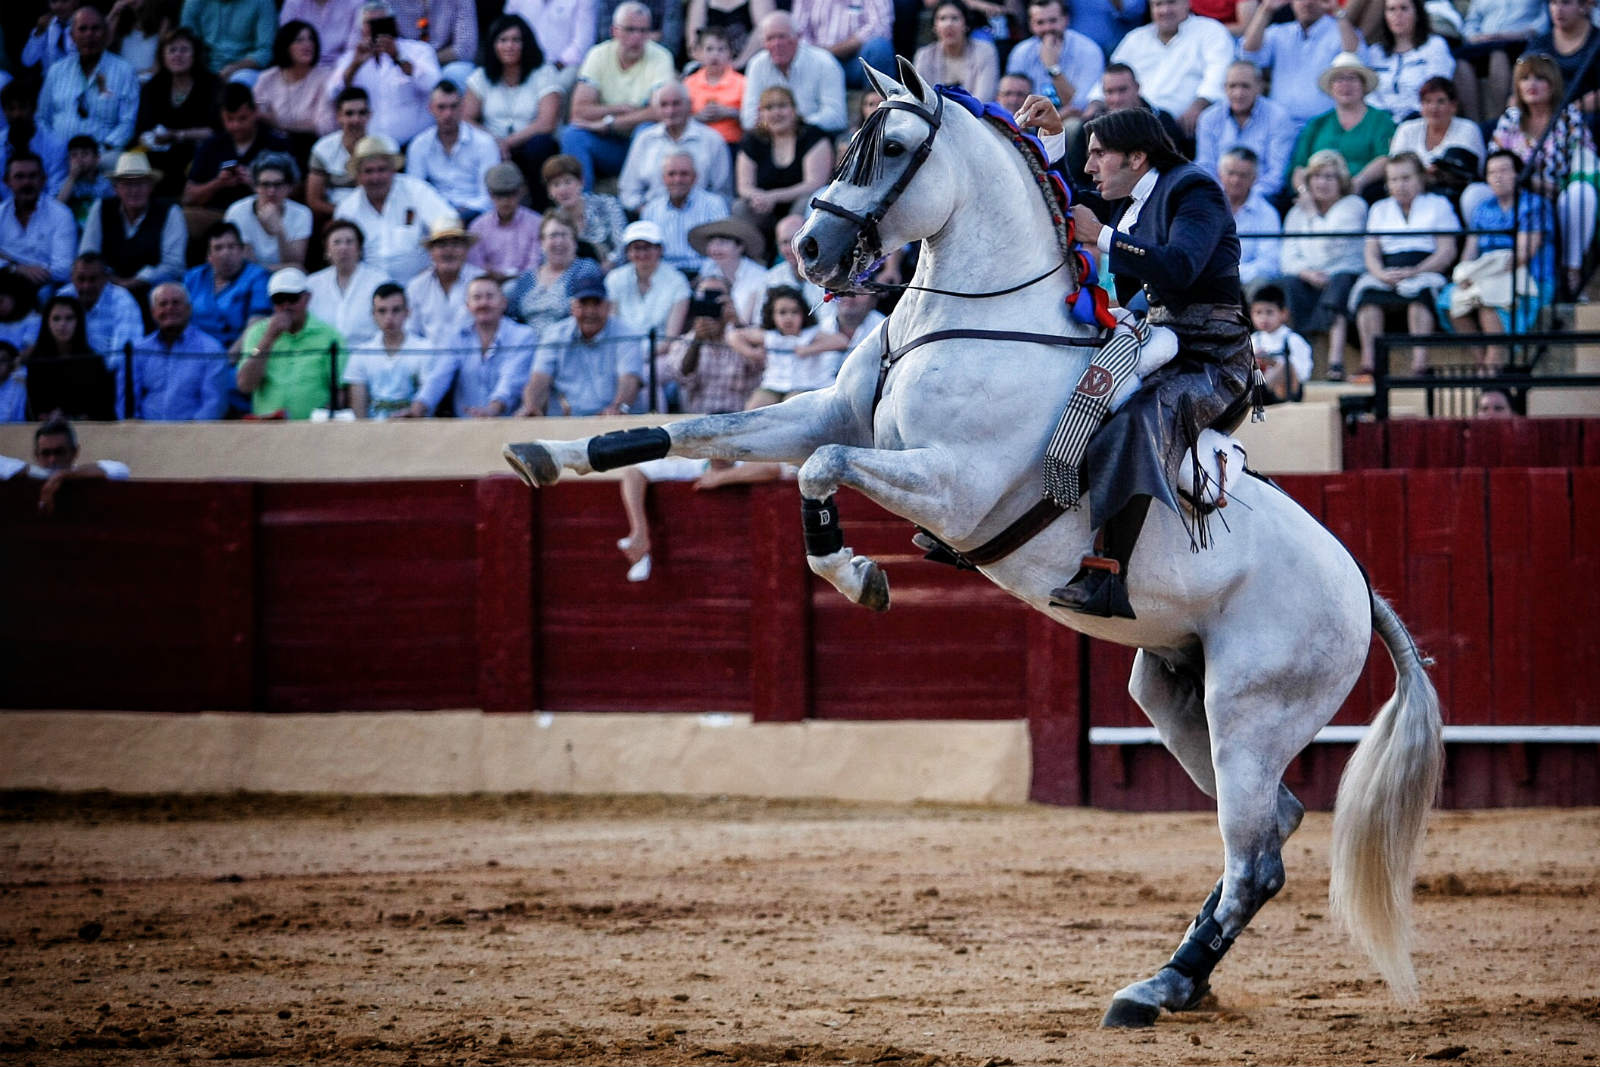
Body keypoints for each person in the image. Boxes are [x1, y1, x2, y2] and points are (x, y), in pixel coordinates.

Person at [1055, 105, 1256, 619]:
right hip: (1163, 341)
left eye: (1100, 154)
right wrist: (1054, 142)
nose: (1090, 166)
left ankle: (1109, 578)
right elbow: (1076, 212)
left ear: (1138, 156)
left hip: (1214, 358)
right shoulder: (1129, 206)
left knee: (1144, 419)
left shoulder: (1194, 189)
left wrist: (1099, 237)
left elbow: (1181, 266)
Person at [1488, 52, 1597, 298]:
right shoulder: (1511, 118)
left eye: (1540, 78)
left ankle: (1572, 268)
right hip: (1516, 193)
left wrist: (1549, 187)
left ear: (1553, 83)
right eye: (1525, 79)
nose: (1532, 85)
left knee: (1582, 193)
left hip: (1558, 194)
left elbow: (1586, 164)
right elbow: (1494, 160)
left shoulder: (1568, 117)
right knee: (1474, 194)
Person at [1440, 149, 1554, 372]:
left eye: (1504, 170)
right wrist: (1464, 274)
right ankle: (1484, 362)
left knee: (1487, 302)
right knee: (1449, 302)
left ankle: (1493, 366)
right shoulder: (1482, 209)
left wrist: (1480, 276)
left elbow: (1523, 254)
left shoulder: (1534, 205)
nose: (1498, 177)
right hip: (1485, 275)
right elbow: (1470, 251)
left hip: (1526, 276)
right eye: (1492, 172)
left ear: (1518, 175)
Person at [1349, 152, 1459, 379]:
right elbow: (1371, 251)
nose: (1400, 185)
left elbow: (1447, 250)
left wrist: (1417, 271)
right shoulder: (1380, 208)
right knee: (1368, 297)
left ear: (1420, 178)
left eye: (1406, 178)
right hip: (1387, 270)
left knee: (1421, 296)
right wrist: (1380, 273)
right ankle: (1370, 364)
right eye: (1394, 180)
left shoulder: (1438, 205)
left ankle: (1420, 365)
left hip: (1425, 268)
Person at [560, 2, 677, 190]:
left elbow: (660, 112)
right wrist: (620, 109)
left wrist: (609, 124)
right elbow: (578, 112)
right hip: (608, 144)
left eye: (643, 31)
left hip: (638, 142)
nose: (637, 37)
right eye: (630, 30)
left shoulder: (661, 56)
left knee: (646, 130)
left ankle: (636, 198)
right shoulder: (597, 54)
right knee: (572, 135)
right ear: (614, 31)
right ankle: (581, 205)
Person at [1085, 0, 1235, 146]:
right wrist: (1096, 103)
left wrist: (1199, 105)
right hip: (1131, 116)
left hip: (1179, 123)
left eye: (1171, 3)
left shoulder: (1211, 31)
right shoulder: (1136, 38)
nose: (1164, 10)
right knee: (1081, 129)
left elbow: (1218, 74)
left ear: (1188, 3)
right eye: (1158, 4)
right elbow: (1111, 76)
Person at [1278, 148, 1368, 380]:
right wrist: (1306, 273)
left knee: (1339, 284)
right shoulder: (1297, 212)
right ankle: (1298, 361)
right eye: (1317, 176)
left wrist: (1310, 214)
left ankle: (1335, 363)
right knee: (1289, 284)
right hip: (1310, 275)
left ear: (1341, 181)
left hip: (1344, 272)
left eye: (1330, 177)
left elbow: (1328, 248)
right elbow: (1287, 256)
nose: (1322, 183)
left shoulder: (1353, 205)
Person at [521, 262, 647, 415]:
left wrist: (617, 408)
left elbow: (630, 379)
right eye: (583, 304)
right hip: (566, 424)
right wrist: (531, 406)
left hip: (614, 422)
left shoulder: (627, 334)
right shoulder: (554, 334)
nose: (590, 311)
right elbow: (539, 378)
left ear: (608, 307)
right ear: (573, 308)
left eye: (596, 304)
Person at [464, 14, 564, 206]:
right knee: (478, 145)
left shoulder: (543, 73)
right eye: (503, 40)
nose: (509, 46)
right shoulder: (481, 76)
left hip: (529, 145)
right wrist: (494, 141)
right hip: (493, 146)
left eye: (516, 40)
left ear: (526, 43)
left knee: (540, 145)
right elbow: (466, 118)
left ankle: (541, 207)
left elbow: (547, 122)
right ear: (493, 44)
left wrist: (507, 143)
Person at [413, 275, 538, 417]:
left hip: (509, 426)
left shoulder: (523, 335)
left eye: (490, 297)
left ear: (503, 302)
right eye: (477, 297)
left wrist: (492, 410)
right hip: (465, 429)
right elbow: (438, 377)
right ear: (468, 306)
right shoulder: (457, 337)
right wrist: (417, 409)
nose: (483, 303)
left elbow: (511, 379)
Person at [333, 133, 452, 281]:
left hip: (421, 284)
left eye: (381, 169)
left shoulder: (417, 191)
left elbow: (447, 224)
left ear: (393, 170)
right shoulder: (347, 208)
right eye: (368, 171)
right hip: (370, 289)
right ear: (358, 175)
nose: (376, 178)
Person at [236, 266, 348, 419]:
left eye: (292, 298)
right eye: (279, 300)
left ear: (307, 298)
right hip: (267, 428)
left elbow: (339, 391)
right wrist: (268, 339)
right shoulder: (257, 333)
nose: (286, 306)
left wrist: (323, 420)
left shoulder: (329, 336)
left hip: (313, 430)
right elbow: (245, 385)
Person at [326, 0, 440, 146]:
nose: (376, 27)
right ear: (361, 29)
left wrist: (398, 57)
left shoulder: (419, 51)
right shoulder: (350, 58)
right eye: (370, 23)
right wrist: (355, 65)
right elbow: (333, 93)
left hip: (414, 144)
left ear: (393, 23)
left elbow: (433, 85)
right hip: (369, 147)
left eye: (381, 22)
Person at [79, 152, 188, 301]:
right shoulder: (101, 208)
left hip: (154, 290)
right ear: (116, 188)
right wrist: (112, 279)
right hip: (106, 286)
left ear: (150, 186)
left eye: (140, 183)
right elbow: (88, 254)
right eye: (127, 184)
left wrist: (136, 282)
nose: (134, 190)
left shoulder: (170, 212)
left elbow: (174, 265)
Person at [1288, 53, 1397, 201]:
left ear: (1363, 85)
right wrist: (1304, 192)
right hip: (1317, 196)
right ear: (1331, 87)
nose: (1345, 85)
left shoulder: (1381, 120)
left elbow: (1385, 158)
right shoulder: (1317, 123)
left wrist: (1359, 181)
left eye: (1352, 79)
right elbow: (1299, 167)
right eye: (1339, 79)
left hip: (1363, 194)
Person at [115, 282, 232, 419]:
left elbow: (214, 403)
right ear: (153, 312)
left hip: (194, 435)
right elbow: (126, 402)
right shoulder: (138, 350)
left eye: (176, 303)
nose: (169, 308)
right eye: (163, 304)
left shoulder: (211, 349)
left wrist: (188, 435)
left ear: (189, 309)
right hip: (143, 434)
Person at [735, 86, 835, 242]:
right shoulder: (752, 140)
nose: (776, 113)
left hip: (799, 205)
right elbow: (744, 187)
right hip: (764, 208)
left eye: (782, 106)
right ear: (761, 113)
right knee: (741, 207)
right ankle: (754, 258)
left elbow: (814, 183)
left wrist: (773, 196)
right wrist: (760, 198)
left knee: (807, 201)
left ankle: (798, 254)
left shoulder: (813, 136)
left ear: (794, 110)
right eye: (769, 108)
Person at [38, 7, 142, 156]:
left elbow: (128, 123)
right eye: (82, 29)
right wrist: (57, 149)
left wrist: (98, 152)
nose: (89, 34)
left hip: (103, 155)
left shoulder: (125, 71)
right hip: (59, 155)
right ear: (72, 35)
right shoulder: (56, 71)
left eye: (95, 29)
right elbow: (42, 118)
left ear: (106, 34)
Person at [617, 82, 733, 213]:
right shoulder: (645, 140)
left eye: (676, 104)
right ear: (656, 109)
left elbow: (723, 193)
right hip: (651, 215)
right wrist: (648, 211)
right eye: (664, 105)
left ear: (689, 105)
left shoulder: (712, 140)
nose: (670, 111)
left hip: (702, 218)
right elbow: (628, 190)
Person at [134, 27, 222, 200]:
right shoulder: (154, 86)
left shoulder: (211, 84)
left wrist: (177, 135)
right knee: (130, 162)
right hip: (157, 151)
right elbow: (142, 128)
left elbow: (215, 130)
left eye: (184, 50)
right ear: (163, 56)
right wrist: (151, 137)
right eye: (172, 50)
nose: (177, 55)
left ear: (194, 54)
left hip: (196, 151)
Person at [183, 83, 294, 216]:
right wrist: (217, 183)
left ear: (255, 112)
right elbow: (188, 197)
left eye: (242, 119)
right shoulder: (210, 146)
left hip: (264, 216)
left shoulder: (276, 144)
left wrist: (259, 185)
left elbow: (295, 192)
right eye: (229, 119)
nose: (235, 125)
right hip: (219, 217)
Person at [729, 283, 847, 407]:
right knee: (755, 406)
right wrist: (752, 353)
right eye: (782, 313)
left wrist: (810, 349)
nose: (788, 318)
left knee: (792, 404)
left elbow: (841, 341)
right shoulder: (770, 336)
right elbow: (734, 336)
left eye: (794, 312)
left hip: (806, 385)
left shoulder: (810, 334)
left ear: (803, 314)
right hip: (774, 385)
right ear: (772, 315)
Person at [1339, 0, 1456, 124]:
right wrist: (1383, 118)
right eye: (1391, 10)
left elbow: (1437, 87)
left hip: (1420, 121)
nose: (1397, 15)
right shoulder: (1376, 52)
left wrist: (1408, 118)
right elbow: (1368, 90)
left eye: (1404, 8)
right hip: (1380, 123)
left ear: (1417, 14)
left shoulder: (1434, 45)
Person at [1194, 62, 1296, 202]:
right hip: (1218, 196)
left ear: (1259, 87)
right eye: (1232, 86)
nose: (1238, 93)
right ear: (1224, 88)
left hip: (1263, 198)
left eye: (1245, 86)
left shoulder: (1278, 117)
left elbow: (1276, 174)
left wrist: (1244, 198)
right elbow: (1205, 166)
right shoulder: (1209, 118)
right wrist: (1223, 195)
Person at [1239, 0, 1347, 129]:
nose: (1307, 3)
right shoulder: (1279, 33)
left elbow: (1356, 57)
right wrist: (1265, 10)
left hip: (1324, 127)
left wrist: (1338, 12)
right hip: (1280, 126)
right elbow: (1248, 55)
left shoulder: (1340, 32)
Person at [405, 80, 503, 222]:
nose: (448, 114)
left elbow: (488, 196)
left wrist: (457, 215)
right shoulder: (419, 145)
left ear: (462, 107)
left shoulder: (485, 143)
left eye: (453, 107)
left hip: (476, 214)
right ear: (431, 108)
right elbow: (415, 190)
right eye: (441, 107)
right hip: (434, 215)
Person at [740, 12, 849, 137]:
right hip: (771, 138)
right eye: (770, 38)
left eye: (782, 37)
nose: (776, 44)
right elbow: (748, 120)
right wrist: (776, 127)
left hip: (812, 137)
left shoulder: (824, 62)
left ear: (799, 37)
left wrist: (794, 125)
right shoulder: (756, 64)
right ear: (763, 43)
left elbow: (837, 116)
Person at [1390, 76, 1488, 214]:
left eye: (1440, 101)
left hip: (1452, 195)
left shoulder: (1468, 129)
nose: (1433, 108)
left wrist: (1420, 172)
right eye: (1427, 101)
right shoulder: (1406, 129)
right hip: (1408, 193)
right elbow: (1395, 167)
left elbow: (1466, 171)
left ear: (1453, 106)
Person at [342, 281, 433, 417]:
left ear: (407, 312)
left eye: (396, 310)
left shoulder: (425, 349)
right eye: (382, 311)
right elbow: (359, 409)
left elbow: (428, 396)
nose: (389, 317)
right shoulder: (361, 354)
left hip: (416, 429)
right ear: (373, 314)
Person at [605, 220, 690, 360]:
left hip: (660, 356)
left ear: (660, 249)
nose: (642, 253)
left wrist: (640, 357)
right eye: (636, 248)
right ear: (628, 252)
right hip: (618, 353)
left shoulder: (677, 281)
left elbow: (670, 339)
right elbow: (611, 327)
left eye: (648, 247)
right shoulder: (614, 278)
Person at [505, 212, 602, 334]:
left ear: (575, 241)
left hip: (568, 341)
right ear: (542, 242)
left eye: (564, 235)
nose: (559, 241)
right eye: (553, 235)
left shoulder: (585, 268)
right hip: (528, 344)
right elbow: (512, 316)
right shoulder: (526, 278)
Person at [1454, 0, 1547, 123]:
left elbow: (1544, 20)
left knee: (1498, 53)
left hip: (1518, 41)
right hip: (1484, 41)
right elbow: (1471, 22)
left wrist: (1517, 35)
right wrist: (1475, 37)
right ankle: (1474, 122)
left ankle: (1497, 120)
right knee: (1460, 58)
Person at [183, 221, 272, 349]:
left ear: (242, 251)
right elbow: (180, 320)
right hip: (194, 352)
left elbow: (256, 325)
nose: (225, 253)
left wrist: (227, 360)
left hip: (235, 354)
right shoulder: (193, 277)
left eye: (231, 247)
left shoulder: (258, 277)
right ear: (209, 256)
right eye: (218, 248)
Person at [640, 151, 732, 274]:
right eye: (671, 174)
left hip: (705, 272)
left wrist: (705, 276)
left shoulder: (714, 204)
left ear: (695, 177)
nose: (677, 180)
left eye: (684, 174)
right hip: (665, 275)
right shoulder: (651, 209)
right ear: (663, 178)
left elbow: (723, 249)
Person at [252, 20, 337, 153]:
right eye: (299, 40)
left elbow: (326, 127)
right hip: (271, 147)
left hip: (310, 147)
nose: (308, 45)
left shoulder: (325, 78)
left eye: (311, 39)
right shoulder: (267, 78)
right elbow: (258, 114)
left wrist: (279, 123)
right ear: (285, 46)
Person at [1003, 0, 1101, 115]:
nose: (1047, 28)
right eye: (1040, 23)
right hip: (1029, 119)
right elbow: (1013, 99)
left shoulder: (1088, 50)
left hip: (1071, 122)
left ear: (1066, 19)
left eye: (1053, 21)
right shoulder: (1021, 52)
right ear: (1031, 25)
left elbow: (1079, 106)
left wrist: (1052, 67)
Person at [25, 295, 114, 421]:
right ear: (47, 322)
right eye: (56, 319)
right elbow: (33, 408)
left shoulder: (93, 361)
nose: (62, 325)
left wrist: (78, 418)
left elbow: (103, 407)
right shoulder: (36, 362)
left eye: (69, 318)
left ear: (79, 321)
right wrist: (49, 417)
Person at [0, 153, 79, 292]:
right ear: (7, 182)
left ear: (43, 180)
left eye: (33, 176)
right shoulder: (1, 214)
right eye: (19, 177)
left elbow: (64, 269)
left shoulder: (61, 215)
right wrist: (17, 269)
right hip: (5, 283)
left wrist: (12, 264)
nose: (26, 183)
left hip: (43, 287)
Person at [23, 418, 132, 517]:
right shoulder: (31, 473)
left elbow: (122, 470)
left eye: (59, 452)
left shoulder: (80, 474)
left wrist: (63, 475)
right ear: (36, 455)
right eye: (46, 453)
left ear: (74, 452)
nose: (52, 459)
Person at [224, 152, 313, 270]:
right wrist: (280, 268)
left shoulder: (302, 214)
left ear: (289, 187)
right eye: (265, 185)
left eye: (278, 184)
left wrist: (279, 231)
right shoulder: (237, 212)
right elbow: (246, 267)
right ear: (255, 186)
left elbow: (295, 263)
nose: (271, 191)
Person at [306, 218, 389, 343]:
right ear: (327, 251)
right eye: (337, 242)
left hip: (366, 356)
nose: (343, 248)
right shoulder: (311, 284)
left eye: (349, 242)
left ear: (359, 249)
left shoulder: (379, 280)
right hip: (324, 357)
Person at [405, 214, 485, 342]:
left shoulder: (482, 281)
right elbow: (411, 333)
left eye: (455, 244)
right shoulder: (416, 286)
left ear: (466, 249)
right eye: (441, 245)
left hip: (472, 358)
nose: (449, 251)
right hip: (429, 357)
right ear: (431, 252)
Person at [541, 153, 628, 269]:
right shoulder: (552, 221)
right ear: (549, 191)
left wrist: (608, 265)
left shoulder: (607, 204)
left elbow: (622, 244)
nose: (563, 190)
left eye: (568, 182)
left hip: (613, 271)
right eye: (556, 184)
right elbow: (548, 258)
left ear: (581, 182)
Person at [791, 0, 894, 92]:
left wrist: (837, 50)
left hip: (856, 62)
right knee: (789, 46)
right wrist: (821, 55)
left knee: (879, 47)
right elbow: (798, 32)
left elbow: (880, 27)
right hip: (818, 63)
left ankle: (877, 103)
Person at [468, 164, 544, 283]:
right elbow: (475, 267)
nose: (505, 201)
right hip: (488, 285)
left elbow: (535, 265)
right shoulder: (478, 227)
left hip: (526, 285)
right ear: (490, 194)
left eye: (510, 194)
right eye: (499, 195)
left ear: (521, 191)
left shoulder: (537, 223)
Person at [914, 0, 1001, 105]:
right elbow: (921, 99)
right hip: (933, 119)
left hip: (976, 118)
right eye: (942, 18)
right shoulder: (924, 56)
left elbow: (984, 99)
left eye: (955, 18)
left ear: (966, 25)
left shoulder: (985, 51)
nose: (948, 24)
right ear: (935, 27)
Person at [1218, 148, 1281, 291]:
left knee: (1261, 285)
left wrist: (1232, 274)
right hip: (1210, 277)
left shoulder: (1267, 213)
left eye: (1243, 175)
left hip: (1249, 281)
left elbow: (1269, 263)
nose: (1235, 180)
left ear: (1254, 178)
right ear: (1220, 174)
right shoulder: (1205, 207)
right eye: (1231, 173)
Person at [62, 253, 146, 359]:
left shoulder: (123, 301)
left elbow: (124, 353)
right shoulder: (63, 297)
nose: (86, 286)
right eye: (81, 279)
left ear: (105, 278)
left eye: (93, 279)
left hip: (109, 373)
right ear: (72, 278)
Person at [306, 87, 371, 220]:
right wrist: (346, 213)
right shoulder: (323, 148)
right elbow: (313, 200)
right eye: (349, 113)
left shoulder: (386, 145)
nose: (356, 119)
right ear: (338, 116)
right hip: (337, 216)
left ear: (369, 115)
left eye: (362, 113)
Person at [689, 215, 768, 324]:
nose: (715, 249)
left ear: (740, 247)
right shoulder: (708, 270)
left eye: (722, 242)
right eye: (712, 243)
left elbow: (757, 323)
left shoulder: (759, 276)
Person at [0, 83, 71, 202]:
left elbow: (55, 193)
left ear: (34, 109)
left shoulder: (56, 145)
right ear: (4, 111)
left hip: (44, 212)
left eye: (22, 107)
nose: (17, 114)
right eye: (11, 109)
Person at [1527, 0, 1600, 113]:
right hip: (1544, 118)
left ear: (1584, 7)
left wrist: (1576, 108)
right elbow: (1520, 82)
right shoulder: (1539, 44)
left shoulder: (1596, 43)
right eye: (1553, 3)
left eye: (1566, 3)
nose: (1558, 9)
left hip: (1589, 119)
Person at [180, 0, 276, 83]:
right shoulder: (194, 2)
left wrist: (235, 68)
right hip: (204, 65)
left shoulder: (262, 2)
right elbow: (187, 41)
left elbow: (265, 50)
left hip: (244, 69)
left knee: (241, 79)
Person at [682, 27, 746, 149]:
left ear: (730, 54)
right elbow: (678, 117)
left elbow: (760, 123)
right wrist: (697, 117)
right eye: (709, 49)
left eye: (721, 49)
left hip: (731, 144)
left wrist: (733, 113)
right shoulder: (689, 83)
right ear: (699, 53)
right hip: (696, 145)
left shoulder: (742, 83)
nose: (715, 55)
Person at [1248, 283, 1312, 403]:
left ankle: (1260, 392)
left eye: (1269, 312)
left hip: (1287, 393)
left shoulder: (1292, 339)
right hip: (1260, 387)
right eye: (1258, 313)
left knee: (1284, 366)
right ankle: (1257, 393)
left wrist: (1273, 362)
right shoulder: (1253, 340)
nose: (1263, 318)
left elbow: (1303, 373)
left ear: (1283, 313)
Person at [762, 213, 828, 310]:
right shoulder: (772, 279)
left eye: (796, 240)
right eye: (784, 242)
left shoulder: (829, 276)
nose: (791, 248)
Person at [278, 0, 366, 71]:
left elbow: (352, 51)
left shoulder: (356, 3)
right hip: (300, 70)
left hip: (339, 71)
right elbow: (286, 43)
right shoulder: (293, 3)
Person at [686, 0, 776, 68]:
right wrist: (712, 63)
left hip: (748, 65)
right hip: (708, 67)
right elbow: (694, 41)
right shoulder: (700, 2)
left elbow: (764, 30)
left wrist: (739, 63)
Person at [55, 137, 117, 227]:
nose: (79, 159)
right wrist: (72, 178)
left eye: (85, 154)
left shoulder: (105, 184)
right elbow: (57, 207)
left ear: (97, 158)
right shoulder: (66, 182)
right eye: (74, 155)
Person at [24, 0, 80, 75]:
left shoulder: (86, 26)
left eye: (64, 1)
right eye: (54, 1)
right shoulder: (44, 26)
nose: (58, 6)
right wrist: (39, 32)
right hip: (50, 83)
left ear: (75, 2)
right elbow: (28, 61)